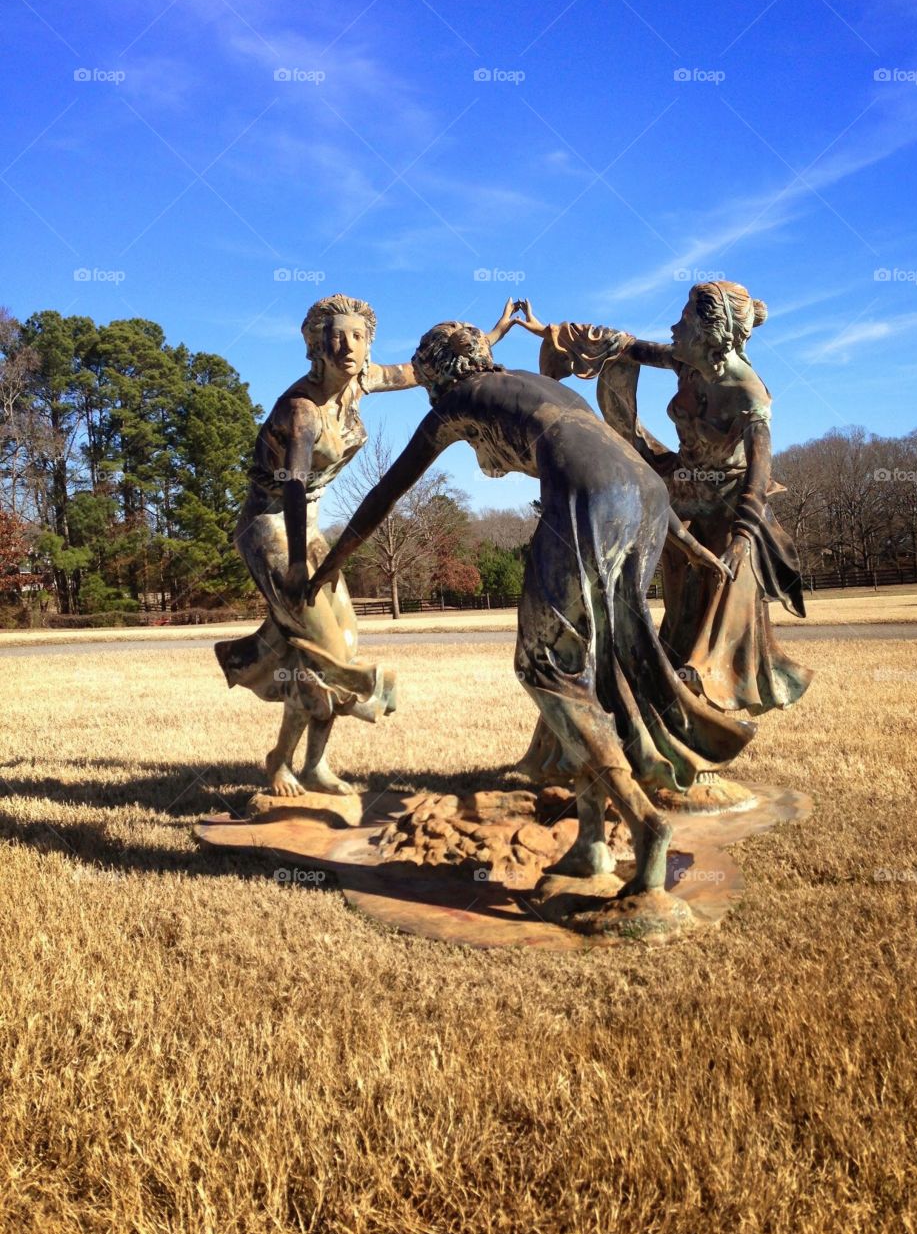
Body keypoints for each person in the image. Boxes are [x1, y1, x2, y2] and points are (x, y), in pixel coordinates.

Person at [303, 320, 756, 904]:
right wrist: (684, 543)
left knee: (545, 668)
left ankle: (646, 826)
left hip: (590, 493)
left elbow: (388, 489)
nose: (429, 389)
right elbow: (623, 459)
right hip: (645, 496)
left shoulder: (458, 402)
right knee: (591, 673)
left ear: (441, 370)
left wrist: (332, 562)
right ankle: (592, 840)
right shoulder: (539, 387)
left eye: (427, 375)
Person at [215, 295, 520, 797]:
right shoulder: (302, 411)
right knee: (326, 653)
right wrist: (295, 564)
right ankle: (283, 760)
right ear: (316, 343)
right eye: (336, 336)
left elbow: (423, 370)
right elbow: (293, 484)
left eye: (357, 336)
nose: (348, 346)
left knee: (343, 645)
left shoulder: (361, 382)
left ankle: (309, 764)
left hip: (308, 528)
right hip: (270, 528)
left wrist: (494, 332)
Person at [515, 282, 813, 716]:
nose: (674, 326)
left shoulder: (749, 395)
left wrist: (743, 538)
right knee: (680, 611)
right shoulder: (686, 363)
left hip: (728, 509)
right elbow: (623, 345)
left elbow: (757, 476)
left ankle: (707, 694)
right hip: (681, 493)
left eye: (685, 319)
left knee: (720, 600)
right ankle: (669, 696)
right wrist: (553, 333)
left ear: (710, 331)